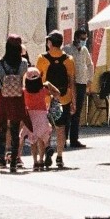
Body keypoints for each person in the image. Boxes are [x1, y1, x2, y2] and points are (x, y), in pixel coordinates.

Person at [0, 35, 30, 173]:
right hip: (17, 98)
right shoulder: (23, 62)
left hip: (2, 97)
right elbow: (24, 79)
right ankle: (13, 161)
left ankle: (1, 159)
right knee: (15, 129)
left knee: (2, 128)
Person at [37, 32, 77, 169]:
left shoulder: (42, 59)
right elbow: (72, 82)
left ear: (49, 43)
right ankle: (60, 156)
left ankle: (45, 153)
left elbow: (37, 80)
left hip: (45, 100)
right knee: (61, 128)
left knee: (45, 129)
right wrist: (74, 102)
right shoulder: (69, 59)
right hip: (63, 99)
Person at [19, 67, 60, 171]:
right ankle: (42, 160)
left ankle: (35, 161)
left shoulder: (25, 91)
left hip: (30, 117)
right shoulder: (43, 90)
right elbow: (57, 93)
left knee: (33, 141)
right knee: (42, 139)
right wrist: (49, 84)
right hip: (42, 117)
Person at [67, 28, 95, 148]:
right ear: (76, 38)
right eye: (82, 39)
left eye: (85, 39)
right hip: (69, 84)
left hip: (81, 83)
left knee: (77, 112)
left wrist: (90, 79)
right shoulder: (67, 49)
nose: (84, 41)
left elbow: (90, 64)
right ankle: (63, 138)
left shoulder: (84, 50)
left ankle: (74, 139)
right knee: (67, 111)